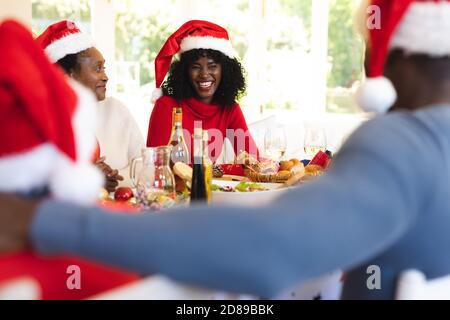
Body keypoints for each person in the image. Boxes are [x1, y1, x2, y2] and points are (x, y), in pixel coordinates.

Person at [2, 0, 450, 299]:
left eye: (368, 53)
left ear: (399, 60)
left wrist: (42, 220)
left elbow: (268, 252)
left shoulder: (401, 142)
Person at [36, 20, 145, 190]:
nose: (105, 76)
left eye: (104, 68)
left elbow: (145, 167)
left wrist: (110, 179)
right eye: (97, 69)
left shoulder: (117, 109)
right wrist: (90, 179)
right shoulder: (46, 120)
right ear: (69, 75)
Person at [147, 20, 259, 162]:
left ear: (224, 70)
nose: (204, 74)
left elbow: (253, 161)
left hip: (208, 183)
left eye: (212, 66)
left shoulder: (229, 109)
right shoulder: (166, 106)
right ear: (185, 71)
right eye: (196, 67)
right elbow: (156, 166)